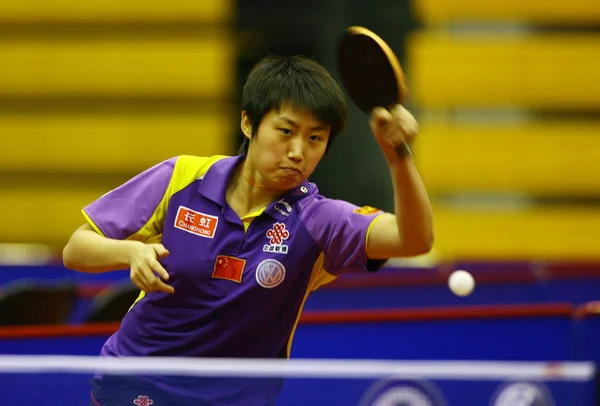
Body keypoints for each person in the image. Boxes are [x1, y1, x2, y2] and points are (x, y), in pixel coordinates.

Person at [63, 55, 433, 406]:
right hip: (139, 381)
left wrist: (398, 157)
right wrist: (131, 252)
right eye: (285, 131)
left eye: (315, 139)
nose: (297, 151)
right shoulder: (183, 178)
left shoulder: (319, 221)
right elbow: (76, 248)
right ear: (248, 123)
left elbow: (413, 240)